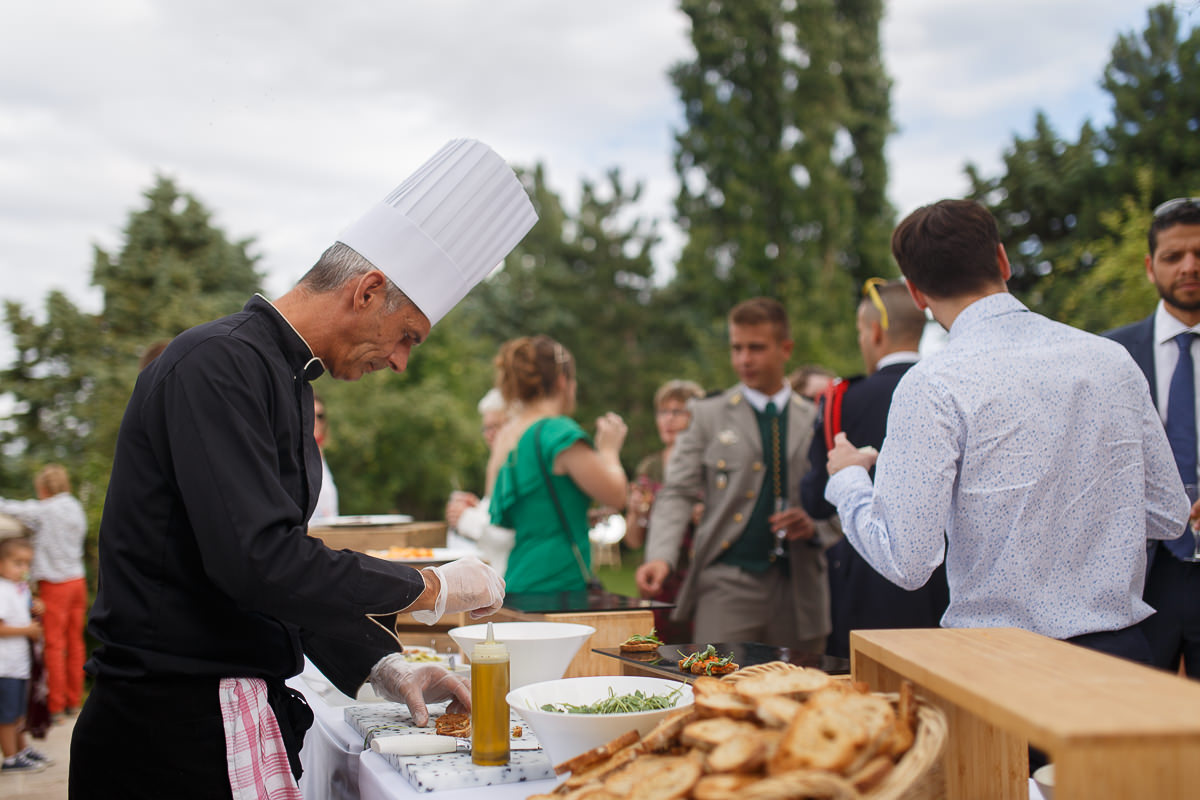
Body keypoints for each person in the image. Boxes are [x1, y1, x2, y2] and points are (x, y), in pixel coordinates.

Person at [69, 138, 535, 799]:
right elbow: (257, 562)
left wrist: (380, 663)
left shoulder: (285, 381)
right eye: (407, 336)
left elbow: (278, 575)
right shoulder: (217, 365)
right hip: (168, 734)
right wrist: (428, 586)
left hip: (208, 718)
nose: (401, 361)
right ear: (370, 290)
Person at [825, 199, 1188, 665]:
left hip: (999, 663)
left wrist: (849, 480)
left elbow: (907, 561)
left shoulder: (935, 382)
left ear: (916, 293)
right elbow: (1168, 514)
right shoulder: (1110, 359)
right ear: (1002, 260)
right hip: (1119, 654)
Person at [636, 298, 829, 651]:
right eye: (736, 348)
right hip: (727, 583)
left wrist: (816, 527)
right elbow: (678, 491)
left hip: (801, 590)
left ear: (785, 348)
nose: (744, 359)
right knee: (715, 689)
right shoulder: (708, 415)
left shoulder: (817, 417)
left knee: (799, 694)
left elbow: (841, 494)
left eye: (756, 348)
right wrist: (660, 556)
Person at [799, 279, 948, 659]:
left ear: (875, 332)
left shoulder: (844, 401)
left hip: (868, 576)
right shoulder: (951, 386)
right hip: (946, 575)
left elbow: (816, 500)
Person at [1105, 197, 1200, 677]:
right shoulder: (1106, 354)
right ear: (1150, 267)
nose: (1189, 267)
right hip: (1137, 577)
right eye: (1173, 256)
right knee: (1132, 727)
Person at [487, 335, 628, 594]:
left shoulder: (507, 435)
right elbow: (617, 496)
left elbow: (508, 512)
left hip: (516, 579)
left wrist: (578, 515)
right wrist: (609, 451)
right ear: (564, 381)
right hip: (558, 582)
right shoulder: (558, 433)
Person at [0, 464, 87, 721]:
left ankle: (56, 705)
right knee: (75, 642)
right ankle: (74, 700)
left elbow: (9, 507)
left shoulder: (46, 509)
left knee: (53, 645)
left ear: (43, 488)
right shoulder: (75, 507)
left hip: (55, 584)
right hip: (77, 580)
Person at [623, 380, 705, 642]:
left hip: (698, 580)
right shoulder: (650, 466)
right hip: (658, 577)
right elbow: (633, 540)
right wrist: (635, 513)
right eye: (663, 412)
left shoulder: (707, 465)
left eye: (677, 411)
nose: (668, 419)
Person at [445, 388, 517, 575]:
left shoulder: (517, 463)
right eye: (486, 428)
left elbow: (506, 533)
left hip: (517, 582)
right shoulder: (501, 461)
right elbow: (497, 515)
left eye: (496, 426)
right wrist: (478, 507)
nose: (489, 434)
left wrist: (465, 517)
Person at [0, 537, 49, 774]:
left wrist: (36, 605)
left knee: (19, 712)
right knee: (7, 715)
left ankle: (21, 750)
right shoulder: (1, 589)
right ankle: (10, 758)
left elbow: (24, 609)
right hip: (5, 665)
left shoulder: (18, 588)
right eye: (17, 563)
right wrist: (27, 630)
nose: (23, 569)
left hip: (20, 664)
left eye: (26, 564)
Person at [312, 392, 339, 521]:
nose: (315, 421)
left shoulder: (321, 455)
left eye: (320, 416)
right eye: (310, 414)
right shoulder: (293, 456)